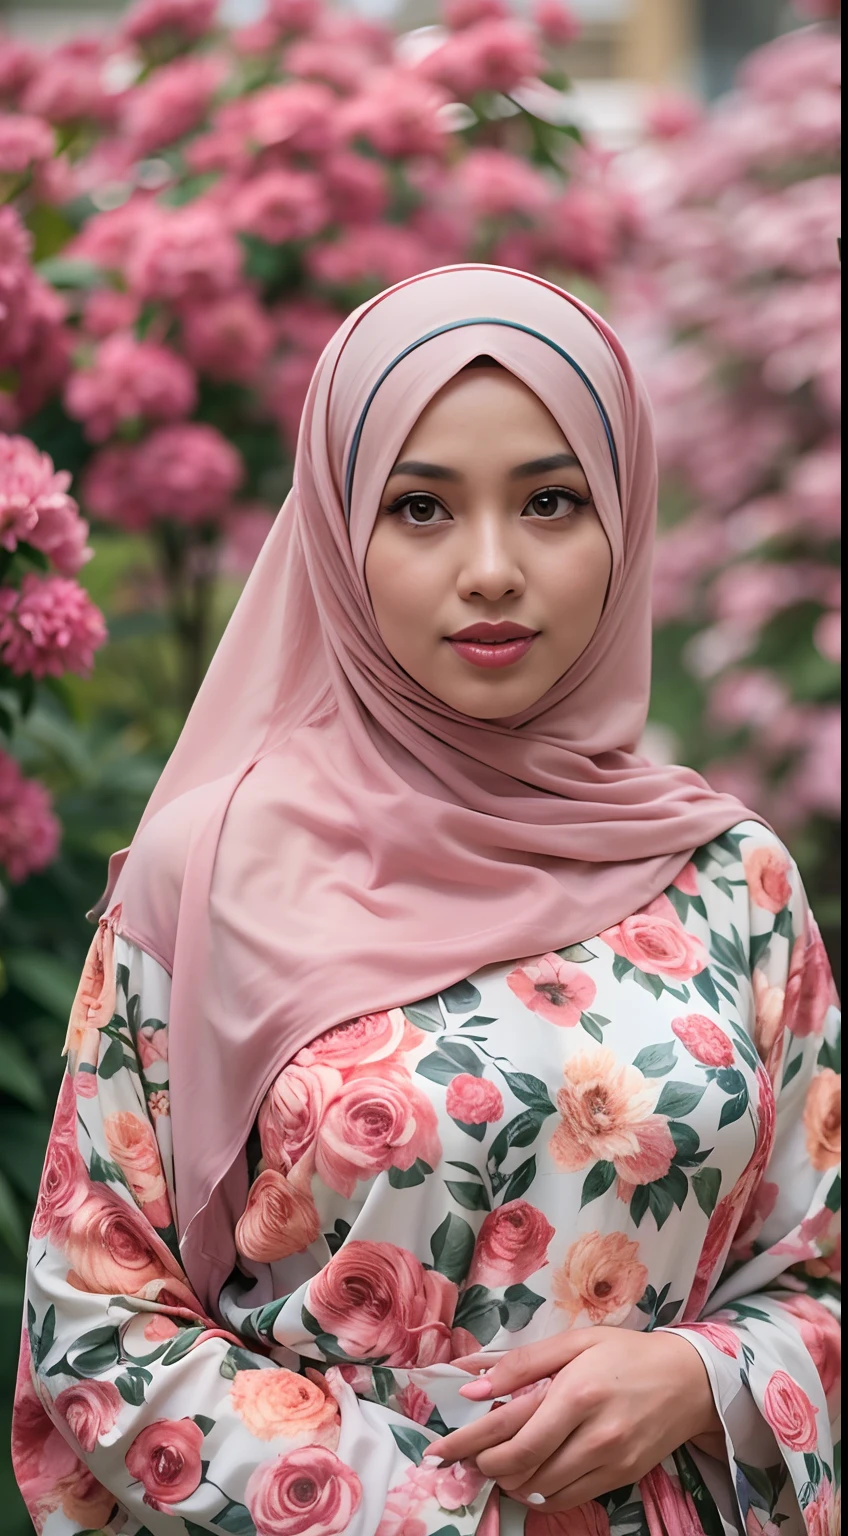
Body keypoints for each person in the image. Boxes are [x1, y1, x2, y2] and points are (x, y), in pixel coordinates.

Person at [13, 266, 840, 1536]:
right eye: (421, 508)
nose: (493, 569)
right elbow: (99, 1313)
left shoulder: (732, 879)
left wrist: (699, 1379)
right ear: (341, 535)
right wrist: (437, 1506)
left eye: (552, 501)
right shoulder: (212, 875)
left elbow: (822, 1273)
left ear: (623, 518)